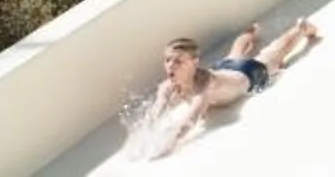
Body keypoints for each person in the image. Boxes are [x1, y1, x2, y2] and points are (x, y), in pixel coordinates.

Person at [134, 20, 318, 153]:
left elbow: (191, 120)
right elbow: (155, 112)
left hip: (248, 73)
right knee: (234, 54)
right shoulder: (167, 85)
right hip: (224, 69)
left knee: (274, 54)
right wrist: (144, 134)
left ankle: (300, 29)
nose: (171, 66)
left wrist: (166, 145)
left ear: (194, 63)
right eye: (167, 60)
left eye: (178, 62)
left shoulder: (204, 85)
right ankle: (250, 32)